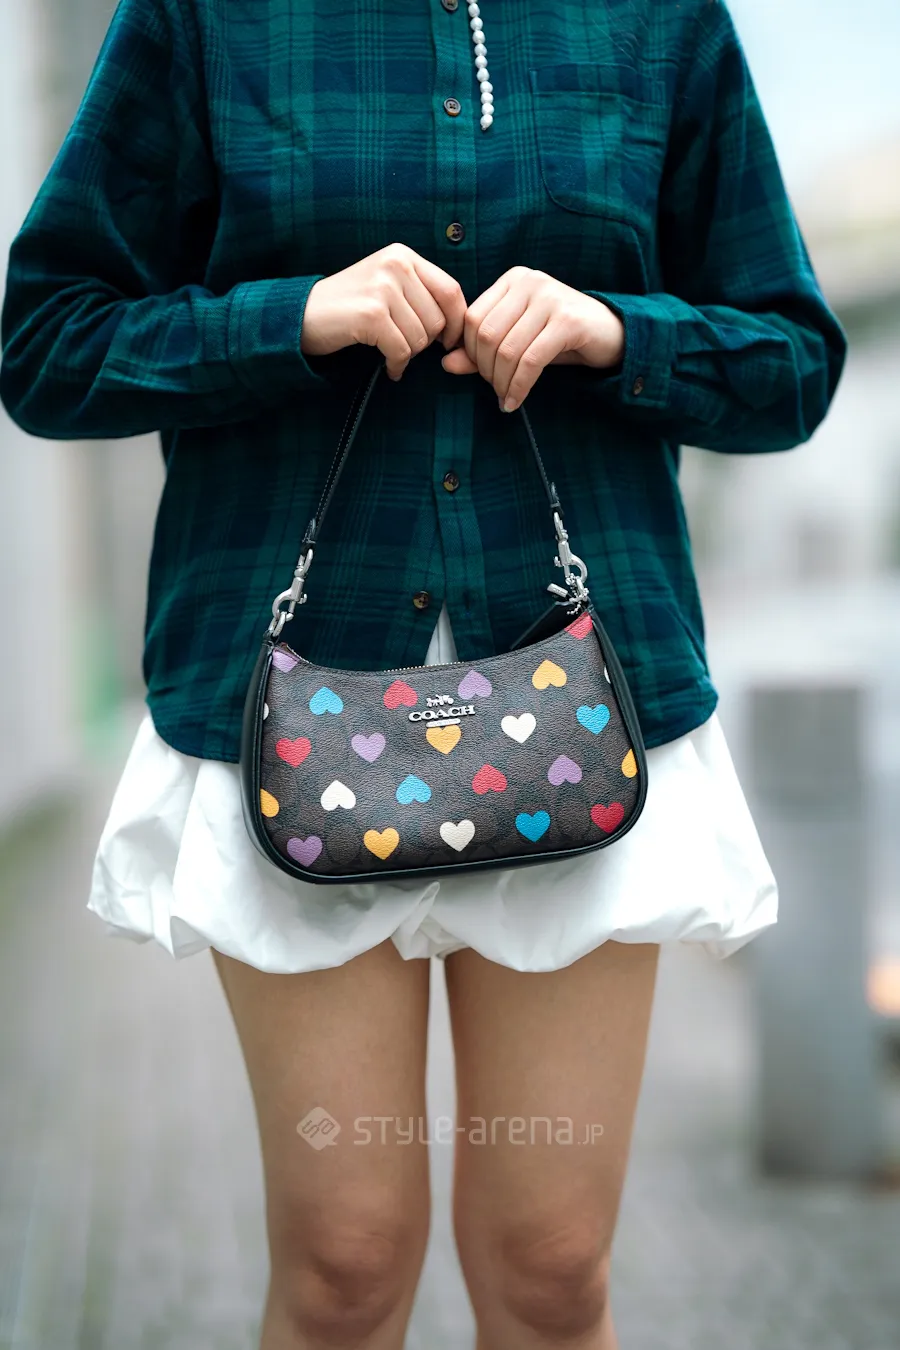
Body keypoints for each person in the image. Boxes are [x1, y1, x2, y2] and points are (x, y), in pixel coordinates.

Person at [0, 0, 847, 1345]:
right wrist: (291, 318)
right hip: (293, 719)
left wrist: (613, 330)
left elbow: (792, 362)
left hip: (581, 718)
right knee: (343, 1267)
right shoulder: (206, 17)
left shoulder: (658, 21)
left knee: (553, 1268)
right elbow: (46, 343)